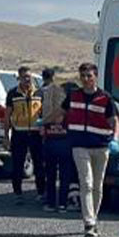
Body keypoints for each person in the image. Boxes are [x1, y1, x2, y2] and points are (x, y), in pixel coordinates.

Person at [62, 62, 119, 237]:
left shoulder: (105, 98)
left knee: (97, 185)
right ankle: (89, 223)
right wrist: (45, 121)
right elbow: (61, 112)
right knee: (86, 183)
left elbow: (115, 121)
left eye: (89, 76)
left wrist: (115, 139)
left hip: (101, 146)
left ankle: (93, 218)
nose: (86, 79)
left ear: (96, 77)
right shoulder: (73, 96)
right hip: (79, 146)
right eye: (83, 76)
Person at [6, 66, 44, 204]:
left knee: (39, 164)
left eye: (29, 76)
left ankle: (41, 192)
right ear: (19, 78)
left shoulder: (39, 93)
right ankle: (17, 193)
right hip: (19, 133)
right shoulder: (13, 94)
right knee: (17, 164)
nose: (27, 79)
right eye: (24, 77)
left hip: (36, 133)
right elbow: (7, 115)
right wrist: (6, 135)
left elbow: (44, 113)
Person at [38, 68, 69, 212]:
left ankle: (52, 203)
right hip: (62, 142)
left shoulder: (45, 95)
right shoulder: (67, 109)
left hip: (53, 141)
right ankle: (61, 203)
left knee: (52, 175)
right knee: (62, 175)